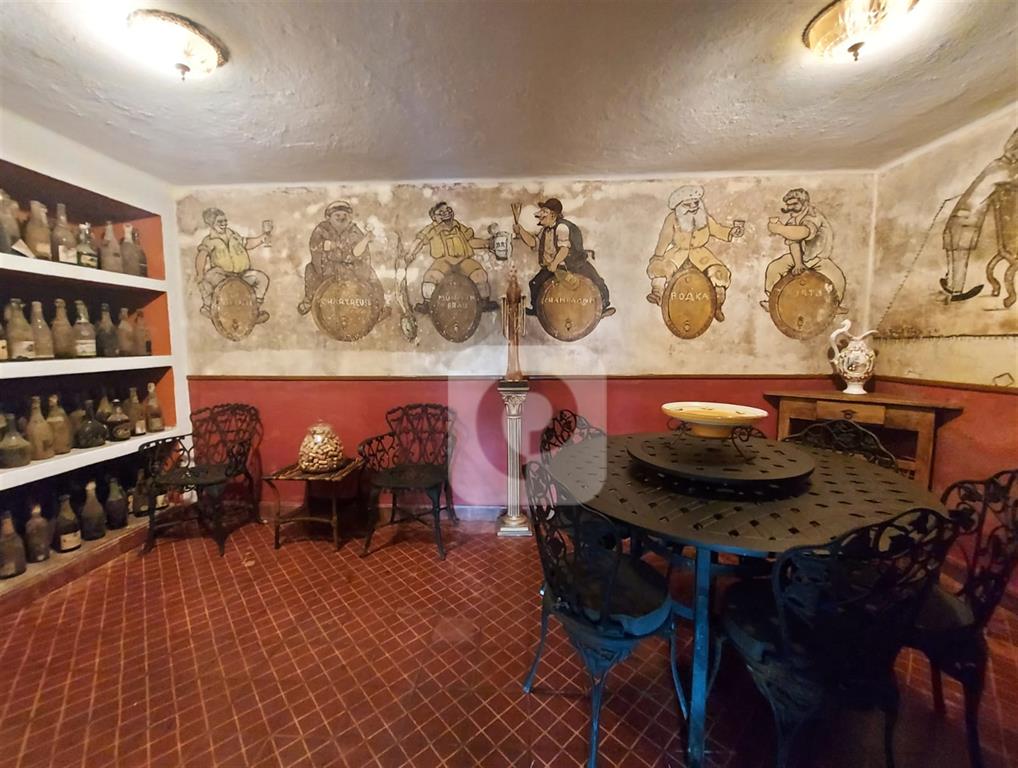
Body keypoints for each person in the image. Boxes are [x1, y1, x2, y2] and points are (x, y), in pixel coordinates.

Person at [941, 127, 1018, 302]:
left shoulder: (996, 165)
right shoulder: (1004, 169)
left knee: (956, 253)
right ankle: (956, 290)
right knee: (960, 254)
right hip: (967, 218)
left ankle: (951, 284)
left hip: (961, 216)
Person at [647, 185, 743, 322]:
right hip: (678, 254)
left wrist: (731, 232)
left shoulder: (703, 216)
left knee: (719, 273)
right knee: (662, 268)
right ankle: (658, 294)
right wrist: (658, 256)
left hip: (701, 255)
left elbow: (717, 229)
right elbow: (664, 237)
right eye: (688, 204)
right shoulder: (672, 219)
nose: (693, 207)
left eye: (696, 203)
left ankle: (717, 306)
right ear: (679, 205)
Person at [513, 198, 614, 318]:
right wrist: (520, 230)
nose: (540, 214)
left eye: (544, 211)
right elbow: (533, 243)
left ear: (553, 215)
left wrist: (554, 263)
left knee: (596, 280)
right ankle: (536, 309)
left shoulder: (562, 227)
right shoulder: (544, 230)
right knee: (534, 283)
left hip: (574, 264)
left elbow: (564, 249)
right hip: (554, 267)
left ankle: (604, 307)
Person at [760, 188, 845, 312]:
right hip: (800, 256)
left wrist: (779, 229)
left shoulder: (813, 216)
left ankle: (834, 306)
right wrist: (798, 263)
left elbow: (803, 232)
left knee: (836, 277)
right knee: (775, 268)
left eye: (794, 204)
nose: (790, 208)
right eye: (788, 205)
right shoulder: (792, 221)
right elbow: (793, 242)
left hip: (818, 258)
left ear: (805, 203)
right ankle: (773, 301)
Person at [298, 200, 387, 317]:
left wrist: (365, 240)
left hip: (350, 269)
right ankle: (309, 299)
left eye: (345, 215)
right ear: (328, 217)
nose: (342, 218)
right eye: (337, 215)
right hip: (327, 268)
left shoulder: (354, 230)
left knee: (371, 276)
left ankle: (378, 305)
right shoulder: (322, 229)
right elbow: (314, 245)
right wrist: (326, 245)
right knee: (310, 270)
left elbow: (358, 252)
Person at [406, 201, 497, 313]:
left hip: (463, 259)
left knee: (479, 274)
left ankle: (484, 302)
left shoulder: (458, 226)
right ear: (434, 217)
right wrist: (411, 253)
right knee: (431, 276)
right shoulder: (432, 229)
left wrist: (487, 244)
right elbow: (420, 241)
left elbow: (470, 241)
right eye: (441, 212)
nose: (446, 214)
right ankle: (428, 304)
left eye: (448, 210)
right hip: (443, 261)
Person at [195, 208, 270, 324]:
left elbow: (247, 243)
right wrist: (200, 273)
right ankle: (209, 308)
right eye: (220, 221)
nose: (224, 223)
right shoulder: (209, 240)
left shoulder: (233, 235)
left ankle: (254, 311)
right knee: (207, 278)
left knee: (262, 278)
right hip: (223, 276)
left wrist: (261, 238)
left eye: (225, 220)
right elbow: (201, 256)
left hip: (242, 275)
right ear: (211, 223)